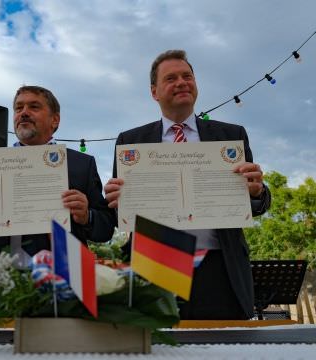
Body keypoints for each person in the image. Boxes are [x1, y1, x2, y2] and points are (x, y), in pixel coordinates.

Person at [104, 50, 271, 320]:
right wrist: (114, 200)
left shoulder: (231, 135)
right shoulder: (131, 142)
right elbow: (118, 213)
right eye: (171, 78)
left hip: (220, 270)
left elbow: (257, 204)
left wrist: (257, 191)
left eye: (187, 76)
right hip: (155, 267)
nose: (182, 82)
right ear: (154, 92)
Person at [0, 85, 115, 266]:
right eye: (19, 108)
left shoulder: (81, 164)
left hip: (59, 281)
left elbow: (105, 230)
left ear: (55, 120)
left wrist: (86, 216)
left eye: (34, 107)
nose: (23, 112)